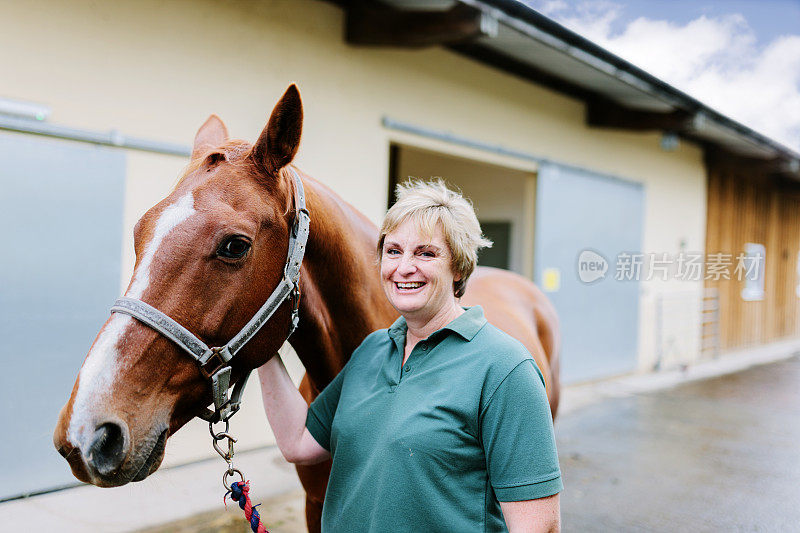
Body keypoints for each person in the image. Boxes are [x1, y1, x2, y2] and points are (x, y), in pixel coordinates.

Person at [258, 180, 562, 532]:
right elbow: (299, 442)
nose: (404, 267)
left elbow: (539, 527)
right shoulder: (373, 350)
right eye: (393, 251)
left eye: (426, 253)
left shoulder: (505, 368)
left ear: (459, 268)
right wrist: (261, 348)